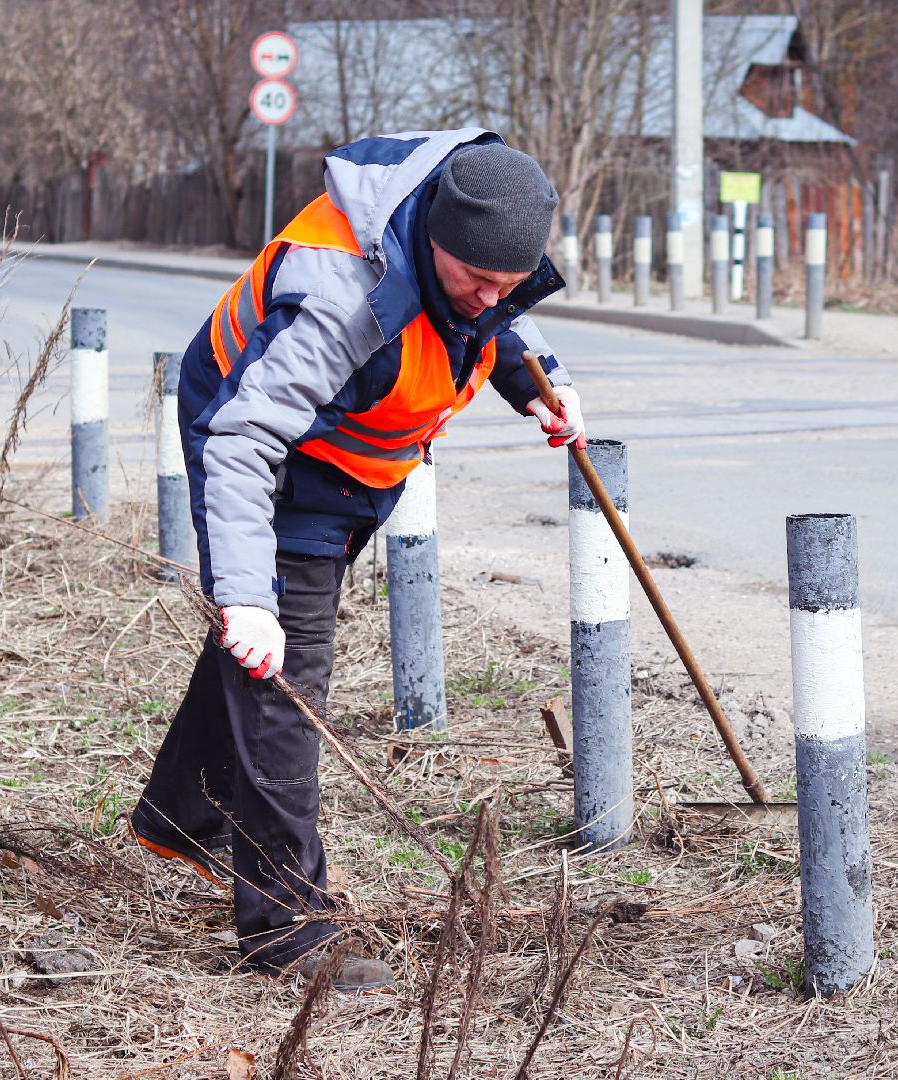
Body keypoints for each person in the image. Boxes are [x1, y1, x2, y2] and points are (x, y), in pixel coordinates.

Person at [129, 128, 586, 991]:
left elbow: (489, 321)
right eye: (473, 279)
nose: (492, 297)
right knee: (284, 678)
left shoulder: (476, 261)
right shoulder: (345, 298)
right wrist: (246, 591)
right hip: (258, 436)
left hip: (347, 459)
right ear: (432, 238)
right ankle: (290, 930)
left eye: (509, 283)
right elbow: (241, 438)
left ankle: (186, 818)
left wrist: (537, 380)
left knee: (257, 651)